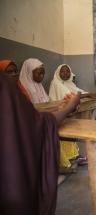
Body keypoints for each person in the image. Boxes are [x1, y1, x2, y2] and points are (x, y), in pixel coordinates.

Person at [0, 72, 80, 215]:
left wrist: (60, 109)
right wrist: (68, 108)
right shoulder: (4, 84)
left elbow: (29, 118)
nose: (13, 74)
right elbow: (33, 124)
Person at [49, 64, 87, 168]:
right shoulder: (56, 83)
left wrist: (87, 94)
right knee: (69, 128)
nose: (65, 73)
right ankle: (71, 157)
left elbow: (78, 92)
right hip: (57, 112)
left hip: (63, 111)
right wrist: (89, 95)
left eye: (67, 71)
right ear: (58, 73)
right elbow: (71, 95)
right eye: (63, 71)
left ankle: (73, 155)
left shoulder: (69, 83)